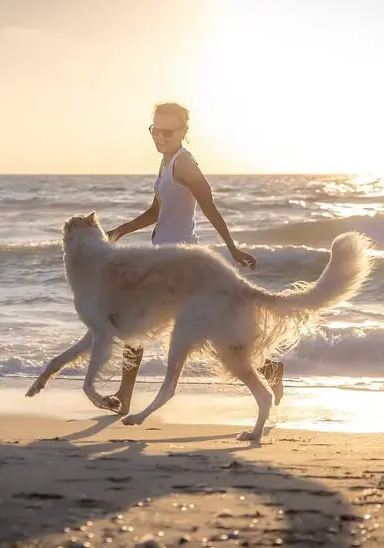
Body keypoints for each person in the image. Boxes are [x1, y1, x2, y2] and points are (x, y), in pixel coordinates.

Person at [102, 102, 285, 415]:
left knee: (143, 320)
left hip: (181, 263)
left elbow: (210, 207)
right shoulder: (166, 162)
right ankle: (124, 395)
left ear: (184, 132)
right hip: (164, 257)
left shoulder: (184, 163)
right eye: (155, 130)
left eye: (167, 131)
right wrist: (121, 230)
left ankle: (268, 369)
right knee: (143, 321)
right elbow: (156, 212)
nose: (159, 136)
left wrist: (232, 248)